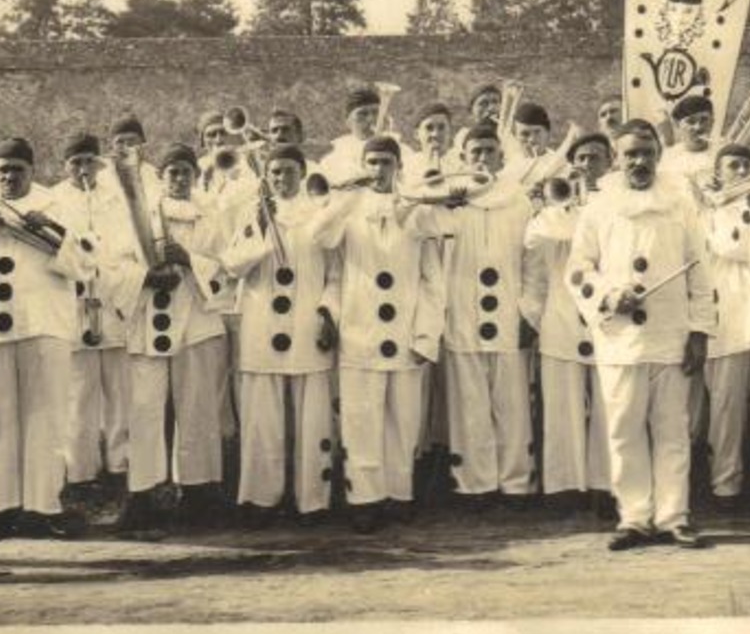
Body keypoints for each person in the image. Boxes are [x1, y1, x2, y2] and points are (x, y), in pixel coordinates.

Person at [566, 120, 715, 550]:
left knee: (672, 429)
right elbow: (577, 269)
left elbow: (699, 269)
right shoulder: (599, 206)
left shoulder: (680, 203)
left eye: (646, 153)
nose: (639, 161)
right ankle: (633, 518)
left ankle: (673, 517)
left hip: (672, 334)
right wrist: (611, 296)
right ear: (617, 157)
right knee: (624, 429)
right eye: (630, 153)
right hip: (619, 338)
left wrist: (700, 331)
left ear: (658, 155)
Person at [310, 134, 448, 533]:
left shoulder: (416, 214)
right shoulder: (348, 214)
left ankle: (398, 495)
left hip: (405, 334)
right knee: (361, 420)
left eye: (385, 162)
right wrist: (345, 198)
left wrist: (426, 336)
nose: (378, 170)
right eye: (371, 162)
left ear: (398, 167)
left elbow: (432, 282)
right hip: (360, 334)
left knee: (403, 421)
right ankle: (364, 500)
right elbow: (322, 245)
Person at [0, 137, 84, 546]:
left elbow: (87, 265)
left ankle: (44, 508)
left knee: (46, 417)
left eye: (18, 170)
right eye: (3, 170)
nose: (10, 177)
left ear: (32, 172)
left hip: (46, 324)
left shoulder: (59, 205)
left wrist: (49, 231)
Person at [115, 142, 233, 535]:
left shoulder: (211, 217)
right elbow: (116, 266)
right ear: (161, 178)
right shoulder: (140, 217)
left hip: (197, 324)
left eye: (186, 172)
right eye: (172, 173)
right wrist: (148, 277)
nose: (180, 179)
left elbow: (227, 266)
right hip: (148, 323)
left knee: (197, 409)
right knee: (145, 410)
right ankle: (143, 497)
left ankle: (199, 496)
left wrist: (189, 261)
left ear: (195, 177)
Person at [219, 145, 341, 522]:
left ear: (302, 174)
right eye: (274, 173)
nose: (281, 179)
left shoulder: (320, 215)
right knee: (261, 419)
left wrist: (327, 313)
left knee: (314, 417)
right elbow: (233, 266)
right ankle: (261, 500)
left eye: (288, 171)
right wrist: (259, 228)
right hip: (261, 326)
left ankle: (313, 501)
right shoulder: (252, 215)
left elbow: (336, 274)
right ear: (266, 177)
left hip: (307, 324)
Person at [440, 122, 537, 504]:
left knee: (511, 402)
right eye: (475, 152)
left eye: (489, 151)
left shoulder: (519, 201)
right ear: (463, 158)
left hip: (510, 312)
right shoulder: (448, 202)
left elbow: (534, 263)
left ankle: (516, 483)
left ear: (501, 157)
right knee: (469, 402)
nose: (482, 158)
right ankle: (474, 484)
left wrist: (530, 311)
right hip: (462, 312)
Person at [521, 133, 613, 509]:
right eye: (581, 159)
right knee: (562, 407)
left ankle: (605, 486)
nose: (587, 165)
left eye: (595, 158)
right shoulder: (551, 214)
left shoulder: (619, 202)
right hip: (560, 316)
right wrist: (567, 205)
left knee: (610, 408)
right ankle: (564, 486)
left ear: (610, 163)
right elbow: (538, 240)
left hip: (607, 318)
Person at [55, 132, 137, 494]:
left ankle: (121, 467)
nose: (84, 169)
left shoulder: (114, 200)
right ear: (65, 166)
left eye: (90, 161)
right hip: (75, 309)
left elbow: (128, 247)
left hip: (113, 304)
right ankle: (81, 475)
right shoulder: (54, 200)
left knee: (120, 395)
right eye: (76, 163)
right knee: (79, 398)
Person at [698, 142, 750, 509]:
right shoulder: (707, 211)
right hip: (726, 323)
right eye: (732, 166)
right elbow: (730, 247)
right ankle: (725, 487)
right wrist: (727, 203)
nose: (740, 172)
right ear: (719, 173)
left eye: (746, 165)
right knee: (726, 412)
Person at [317, 86, 382, 182]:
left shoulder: (402, 149)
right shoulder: (333, 157)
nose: (371, 119)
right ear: (348, 122)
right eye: (362, 114)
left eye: (376, 113)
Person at [659, 94, 715, 187]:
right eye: (691, 121)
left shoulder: (721, 153)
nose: (698, 127)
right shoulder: (667, 159)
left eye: (704, 120)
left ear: (713, 121)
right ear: (677, 125)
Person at [402, 102, 456, 188]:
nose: (435, 134)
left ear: (451, 131)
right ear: (416, 134)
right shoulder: (406, 166)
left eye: (441, 127)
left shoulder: (461, 165)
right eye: (429, 128)